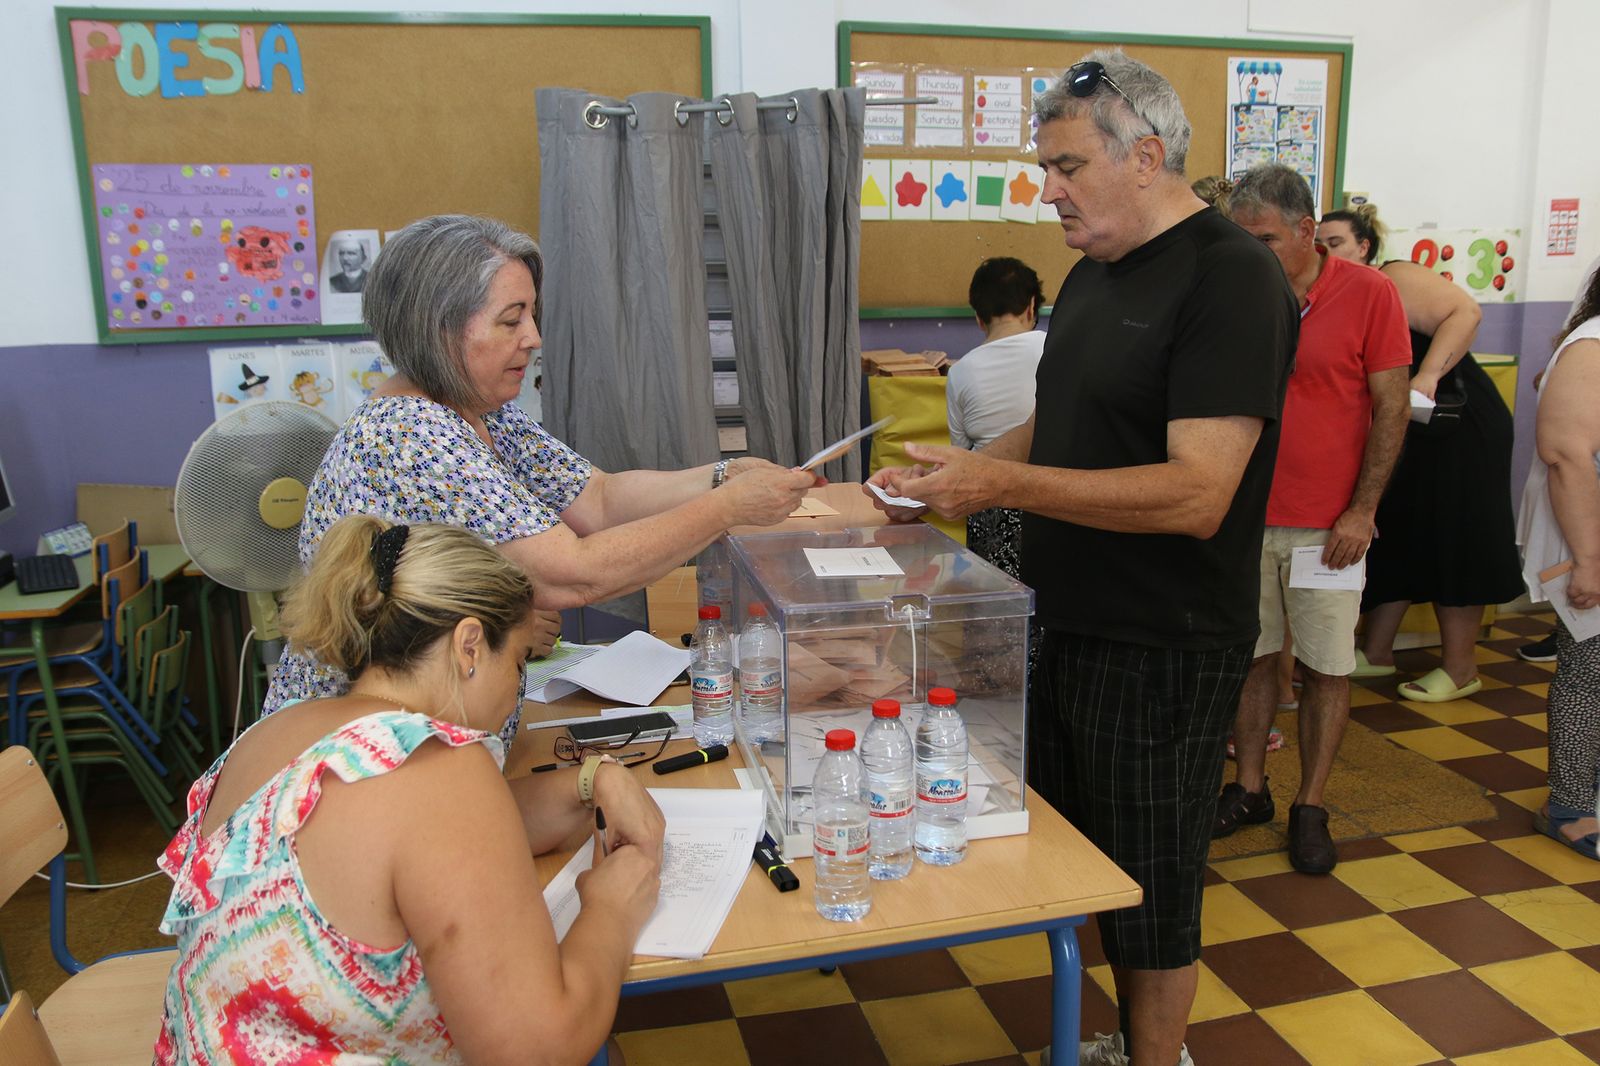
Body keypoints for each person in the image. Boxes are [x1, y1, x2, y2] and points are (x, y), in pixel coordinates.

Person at [866, 50, 1297, 1066]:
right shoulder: (1095, 274)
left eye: (1064, 166)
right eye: (1044, 167)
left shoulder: (1229, 276)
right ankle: (1119, 1035)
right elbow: (1059, 427)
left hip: (1161, 638)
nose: (1045, 190)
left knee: (1153, 878)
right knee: (1093, 861)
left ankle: (1159, 1058)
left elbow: (1198, 492)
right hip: (1068, 615)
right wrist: (962, 470)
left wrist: (998, 488)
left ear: (1144, 156)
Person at [264, 215, 819, 738]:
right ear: (440, 331)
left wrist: (722, 478)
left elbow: (598, 497)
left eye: (532, 315)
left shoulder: (482, 410)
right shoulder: (413, 436)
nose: (532, 337)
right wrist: (728, 509)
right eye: (511, 320)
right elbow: (573, 575)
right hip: (354, 754)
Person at [156, 516, 664, 1062]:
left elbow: (421, 850)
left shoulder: (280, 731)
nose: (517, 688)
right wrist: (612, 910)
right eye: (518, 663)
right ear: (470, 646)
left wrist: (593, 779)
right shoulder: (439, 769)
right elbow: (538, 1048)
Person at [1215, 165, 1412, 874]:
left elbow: (1391, 407)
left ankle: (1311, 805)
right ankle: (1251, 790)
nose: (1252, 251)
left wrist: (1362, 509)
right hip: (1244, 519)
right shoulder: (1240, 293)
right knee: (1254, 658)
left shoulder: (1370, 294)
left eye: (1265, 238)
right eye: (1242, 238)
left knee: (1328, 667)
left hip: (1329, 527)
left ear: (1306, 232)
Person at [1318, 204, 1526, 700]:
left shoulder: (1393, 278)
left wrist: (1428, 375)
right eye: (1319, 245)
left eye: (1336, 243)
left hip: (1458, 426)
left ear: (1364, 247)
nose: (1326, 253)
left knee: (1455, 538)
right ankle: (1379, 652)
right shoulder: (1340, 294)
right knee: (1402, 534)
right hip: (1411, 432)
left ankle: (1460, 669)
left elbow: (1465, 312)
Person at [1517, 272, 1600, 861]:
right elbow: (1566, 455)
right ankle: (1570, 805)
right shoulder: (1591, 345)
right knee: (1589, 672)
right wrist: (1589, 562)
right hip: (1587, 542)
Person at [947, 256, 1046, 578]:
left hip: (989, 503)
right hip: (1053, 496)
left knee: (993, 602)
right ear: (1032, 306)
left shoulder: (961, 371)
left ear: (978, 317)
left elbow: (961, 455)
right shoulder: (1055, 347)